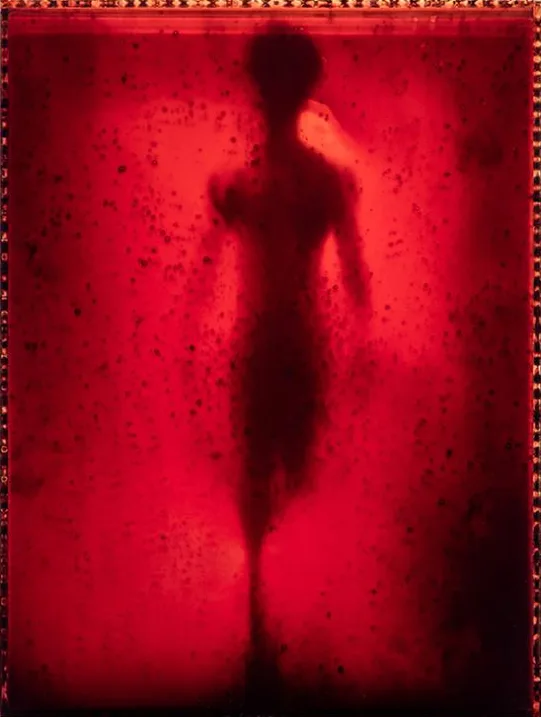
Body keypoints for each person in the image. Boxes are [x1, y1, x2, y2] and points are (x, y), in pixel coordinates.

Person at [202, 21, 371, 710]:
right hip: (263, 344)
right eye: (266, 85)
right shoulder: (240, 179)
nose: (269, 97)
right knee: (258, 480)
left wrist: (364, 348)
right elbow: (205, 272)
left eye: (280, 85)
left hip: (298, 345)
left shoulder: (319, 180)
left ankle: (283, 623)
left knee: (294, 478)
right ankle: (261, 630)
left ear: (295, 91)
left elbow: (355, 275)